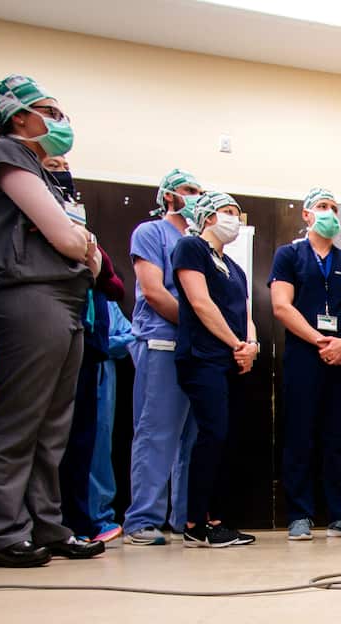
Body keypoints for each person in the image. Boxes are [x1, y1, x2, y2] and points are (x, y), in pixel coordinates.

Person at [0, 74, 105, 567]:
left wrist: (82, 247)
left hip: (65, 298)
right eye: (49, 110)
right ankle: (3, 533)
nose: (59, 120)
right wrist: (80, 245)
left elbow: (91, 255)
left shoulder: (45, 172)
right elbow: (69, 240)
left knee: (52, 424)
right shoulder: (2, 153)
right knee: (16, 418)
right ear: (17, 115)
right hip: (27, 295)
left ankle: (47, 525)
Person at [269, 187, 341, 541]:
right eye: (323, 206)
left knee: (337, 437)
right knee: (299, 435)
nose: (330, 213)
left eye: (335, 208)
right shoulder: (288, 256)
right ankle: (299, 514)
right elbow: (281, 306)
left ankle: (340, 515)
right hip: (304, 357)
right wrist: (319, 340)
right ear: (307, 214)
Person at [43, 156, 126, 543]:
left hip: (88, 343)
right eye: (52, 162)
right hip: (49, 334)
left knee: (83, 438)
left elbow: (111, 281)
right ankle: (39, 523)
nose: (62, 168)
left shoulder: (84, 233)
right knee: (46, 435)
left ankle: (79, 523)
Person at [172, 190, 258, 548]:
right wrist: (235, 344)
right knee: (212, 434)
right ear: (208, 216)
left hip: (232, 361)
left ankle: (218, 520)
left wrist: (251, 345)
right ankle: (195, 522)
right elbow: (200, 303)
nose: (234, 219)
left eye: (237, 213)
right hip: (202, 356)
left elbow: (246, 314)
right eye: (227, 211)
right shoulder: (190, 248)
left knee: (227, 439)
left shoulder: (235, 269)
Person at [124, 168, 202, 546]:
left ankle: (184, 519)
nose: (197, 196)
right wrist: (197, 325)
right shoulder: (150, 233)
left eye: (201, 191)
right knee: (156, 433)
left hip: (195, 348)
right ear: (169, 196)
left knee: (192, 439)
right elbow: (154, 292)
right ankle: (142, 520)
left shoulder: (198, 244)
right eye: (189, 190)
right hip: (162, 342)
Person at [87, 299, 135, 542]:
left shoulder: (107, 301)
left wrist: (98, 344)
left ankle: (98, 516)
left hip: (101, 374)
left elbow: (129, 336)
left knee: (98, 447)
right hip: (68, 368)